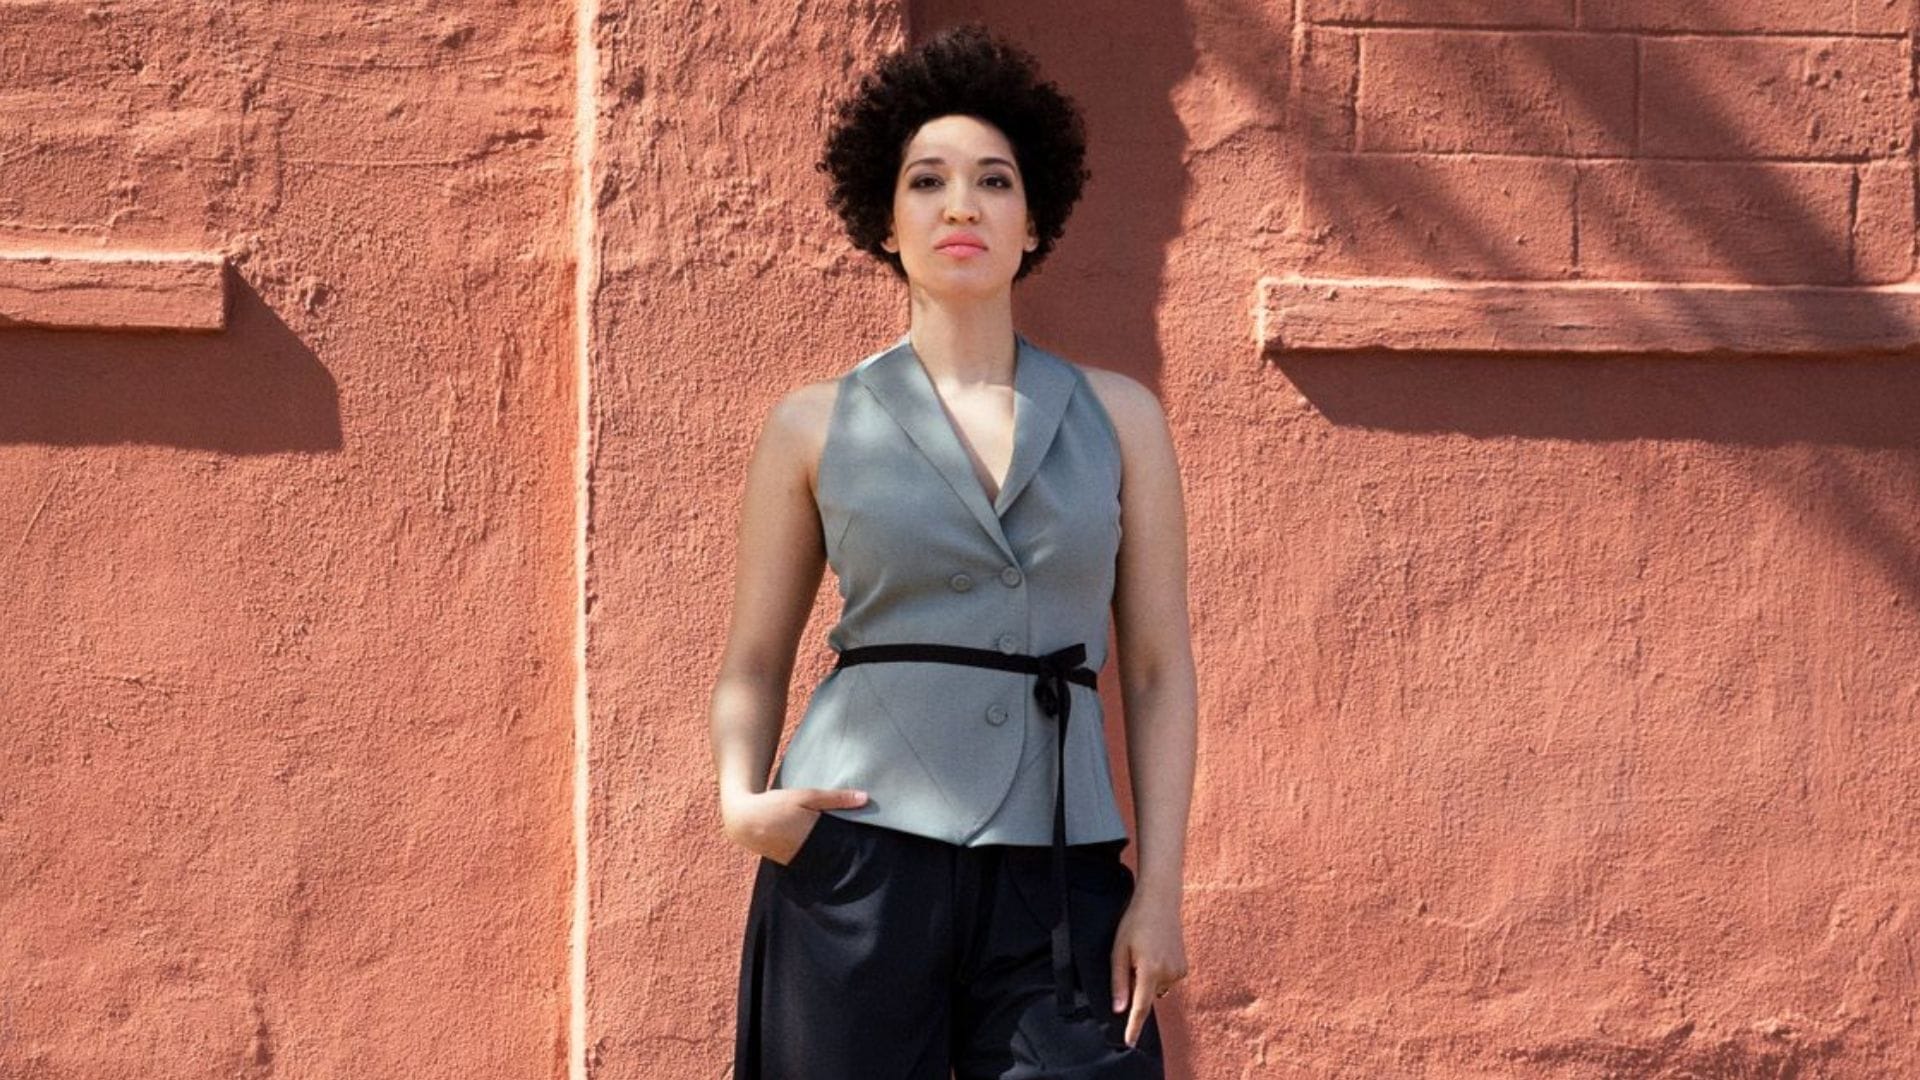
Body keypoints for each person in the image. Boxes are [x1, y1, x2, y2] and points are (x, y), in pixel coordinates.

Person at [710, 24, 1197, 1079]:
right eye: (927, 181)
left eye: (994, 181)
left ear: (1035, 221)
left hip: (1061, 873)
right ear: (885, 221)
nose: (961, 205)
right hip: (857, 859)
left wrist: (1158, 895)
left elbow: (1156, 669)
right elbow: (753, 659)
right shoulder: (813, 424)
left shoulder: (1120, 420)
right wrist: (745, 805)